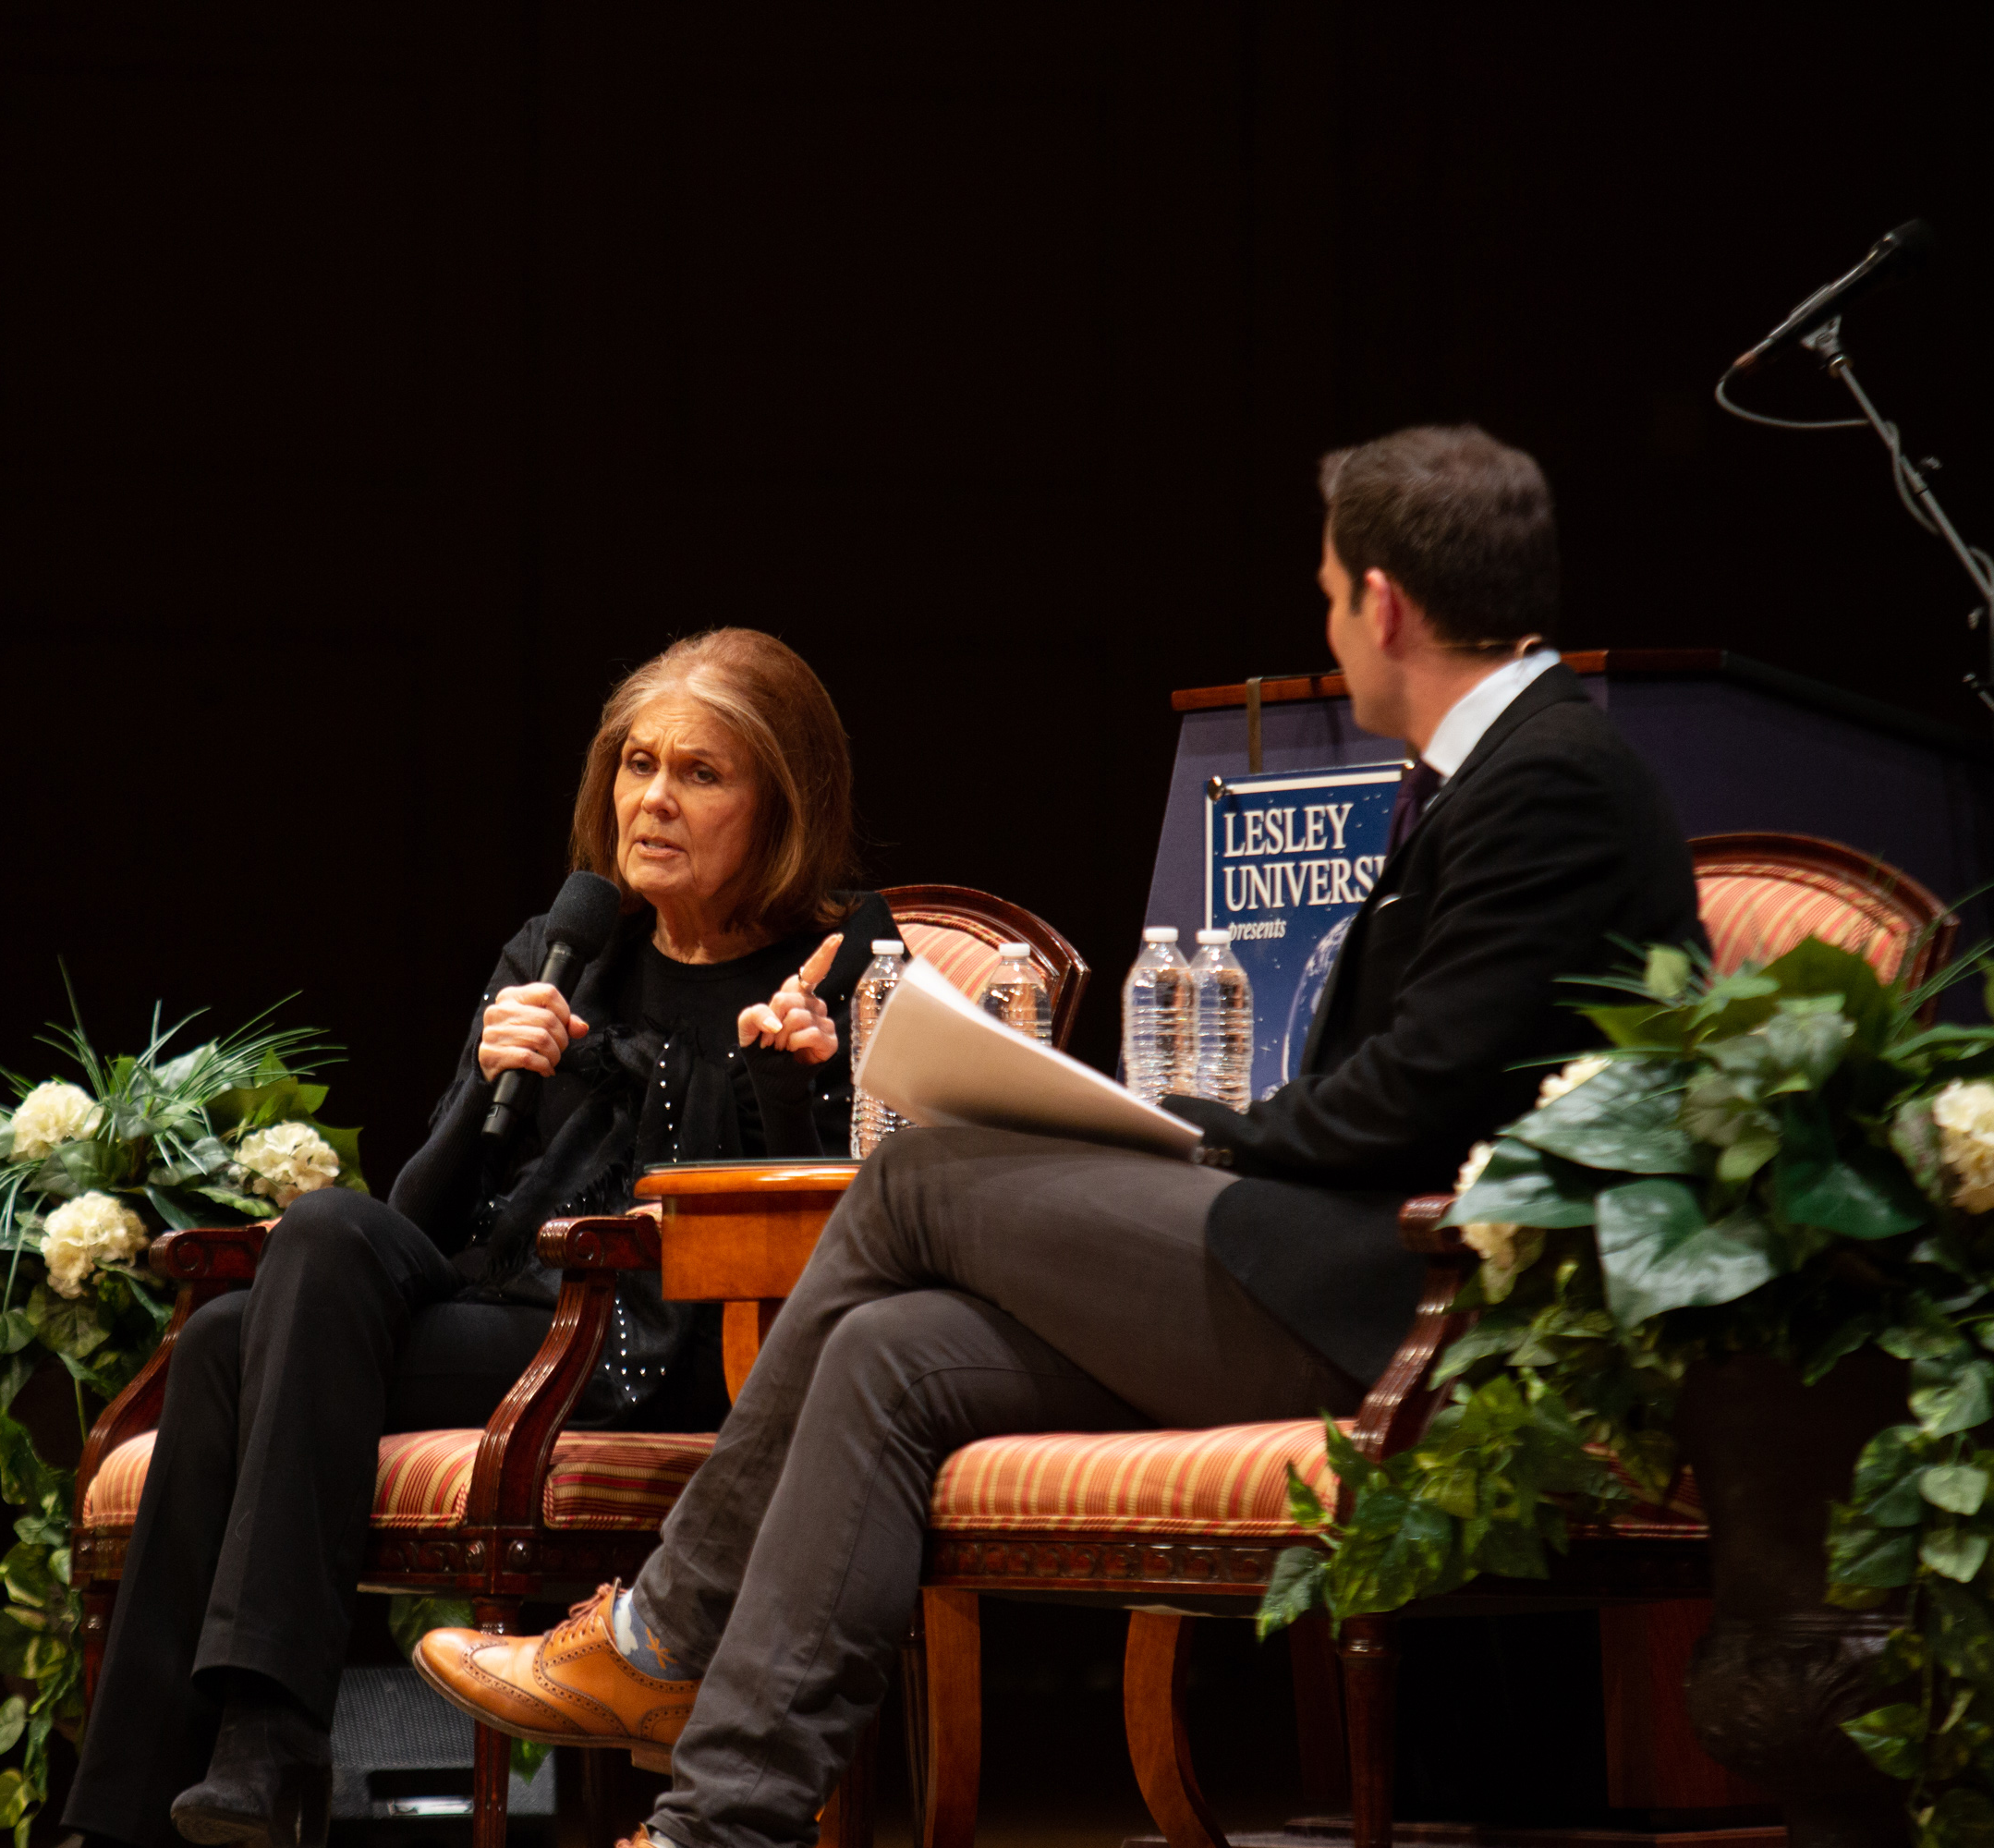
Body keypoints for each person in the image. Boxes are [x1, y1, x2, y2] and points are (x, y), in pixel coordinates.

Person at [414, 426, 1708, 1848]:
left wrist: (1177, 1134)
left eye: (1332, 592)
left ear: (1384, 603)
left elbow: (1416, 1104)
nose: (1331, 624)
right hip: (1332, 1267)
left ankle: (660, 1628)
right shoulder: (1505, 776)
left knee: (916, 1176)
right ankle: (718, 1824)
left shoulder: (1552, 780)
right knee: (884, 1353)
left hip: (1399, 1303)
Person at [64, 627, 898, 1848]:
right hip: (508, 1314)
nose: (652, 799)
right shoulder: (565, 946)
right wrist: (484, 1088)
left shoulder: (839, 961)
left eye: (701, 774)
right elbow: (413, 1228)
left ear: (783, 804)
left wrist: (789, 1083)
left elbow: (845, 1242)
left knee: (228, 1350)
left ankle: (192, 1782)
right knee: (302, 1264)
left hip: (662, 1356)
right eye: (636, 764)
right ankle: (249, 1752)